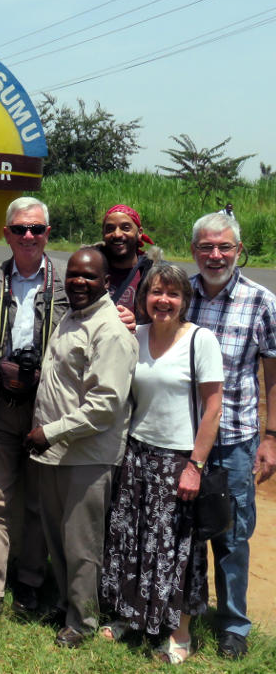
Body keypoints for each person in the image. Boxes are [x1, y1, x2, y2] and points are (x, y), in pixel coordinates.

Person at [100, 263, 223, 664]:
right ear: (144, 298)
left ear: (184, 300)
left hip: (179, 460)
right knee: (131, 539)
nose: (163, 300)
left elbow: (213, 408)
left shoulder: (200, 341)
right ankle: (129, 616)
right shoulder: (135, 336)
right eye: (155, 292)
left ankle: (179, 633)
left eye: (172, 294)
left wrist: (195, 465)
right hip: (136, 453)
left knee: (178, 548)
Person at [25, 247, 137, 648]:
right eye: (73, 274)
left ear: (107, 282)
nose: (78, 282)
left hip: (87, 455)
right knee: (58, 537)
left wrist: (51, 431)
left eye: (89, 276)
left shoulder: (109, 329)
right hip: (57, 450)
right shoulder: (72, 316)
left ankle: (83, 621)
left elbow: (105, 405)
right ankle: (66, 603)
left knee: (82, 543)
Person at [0, 197, 68, 628]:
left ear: (48, 233)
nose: (28, 236)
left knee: (35, 501)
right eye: (20, 229)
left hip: (46, 409)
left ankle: (29, 580)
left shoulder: (69, 282)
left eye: (37, 229)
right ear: (6, 234)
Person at [186, 212, 276, 659]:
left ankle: (234, 624)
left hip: (237, 439)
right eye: (206, 247)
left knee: (233, 535)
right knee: (186, 530)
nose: (215, 255)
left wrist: (271, 436)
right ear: (194, 250)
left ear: (239, 251)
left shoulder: (261, 301)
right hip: (182, 437)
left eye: (224, 247)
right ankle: (191, 608)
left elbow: (272, 373)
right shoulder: (180, 294)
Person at [99, 204, 156, 317]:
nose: (117, 234)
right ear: (103, 234)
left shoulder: (154, 275)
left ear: (139, 233)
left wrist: (138, 326)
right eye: (110, 229)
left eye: (125, 228)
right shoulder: (91, 269)